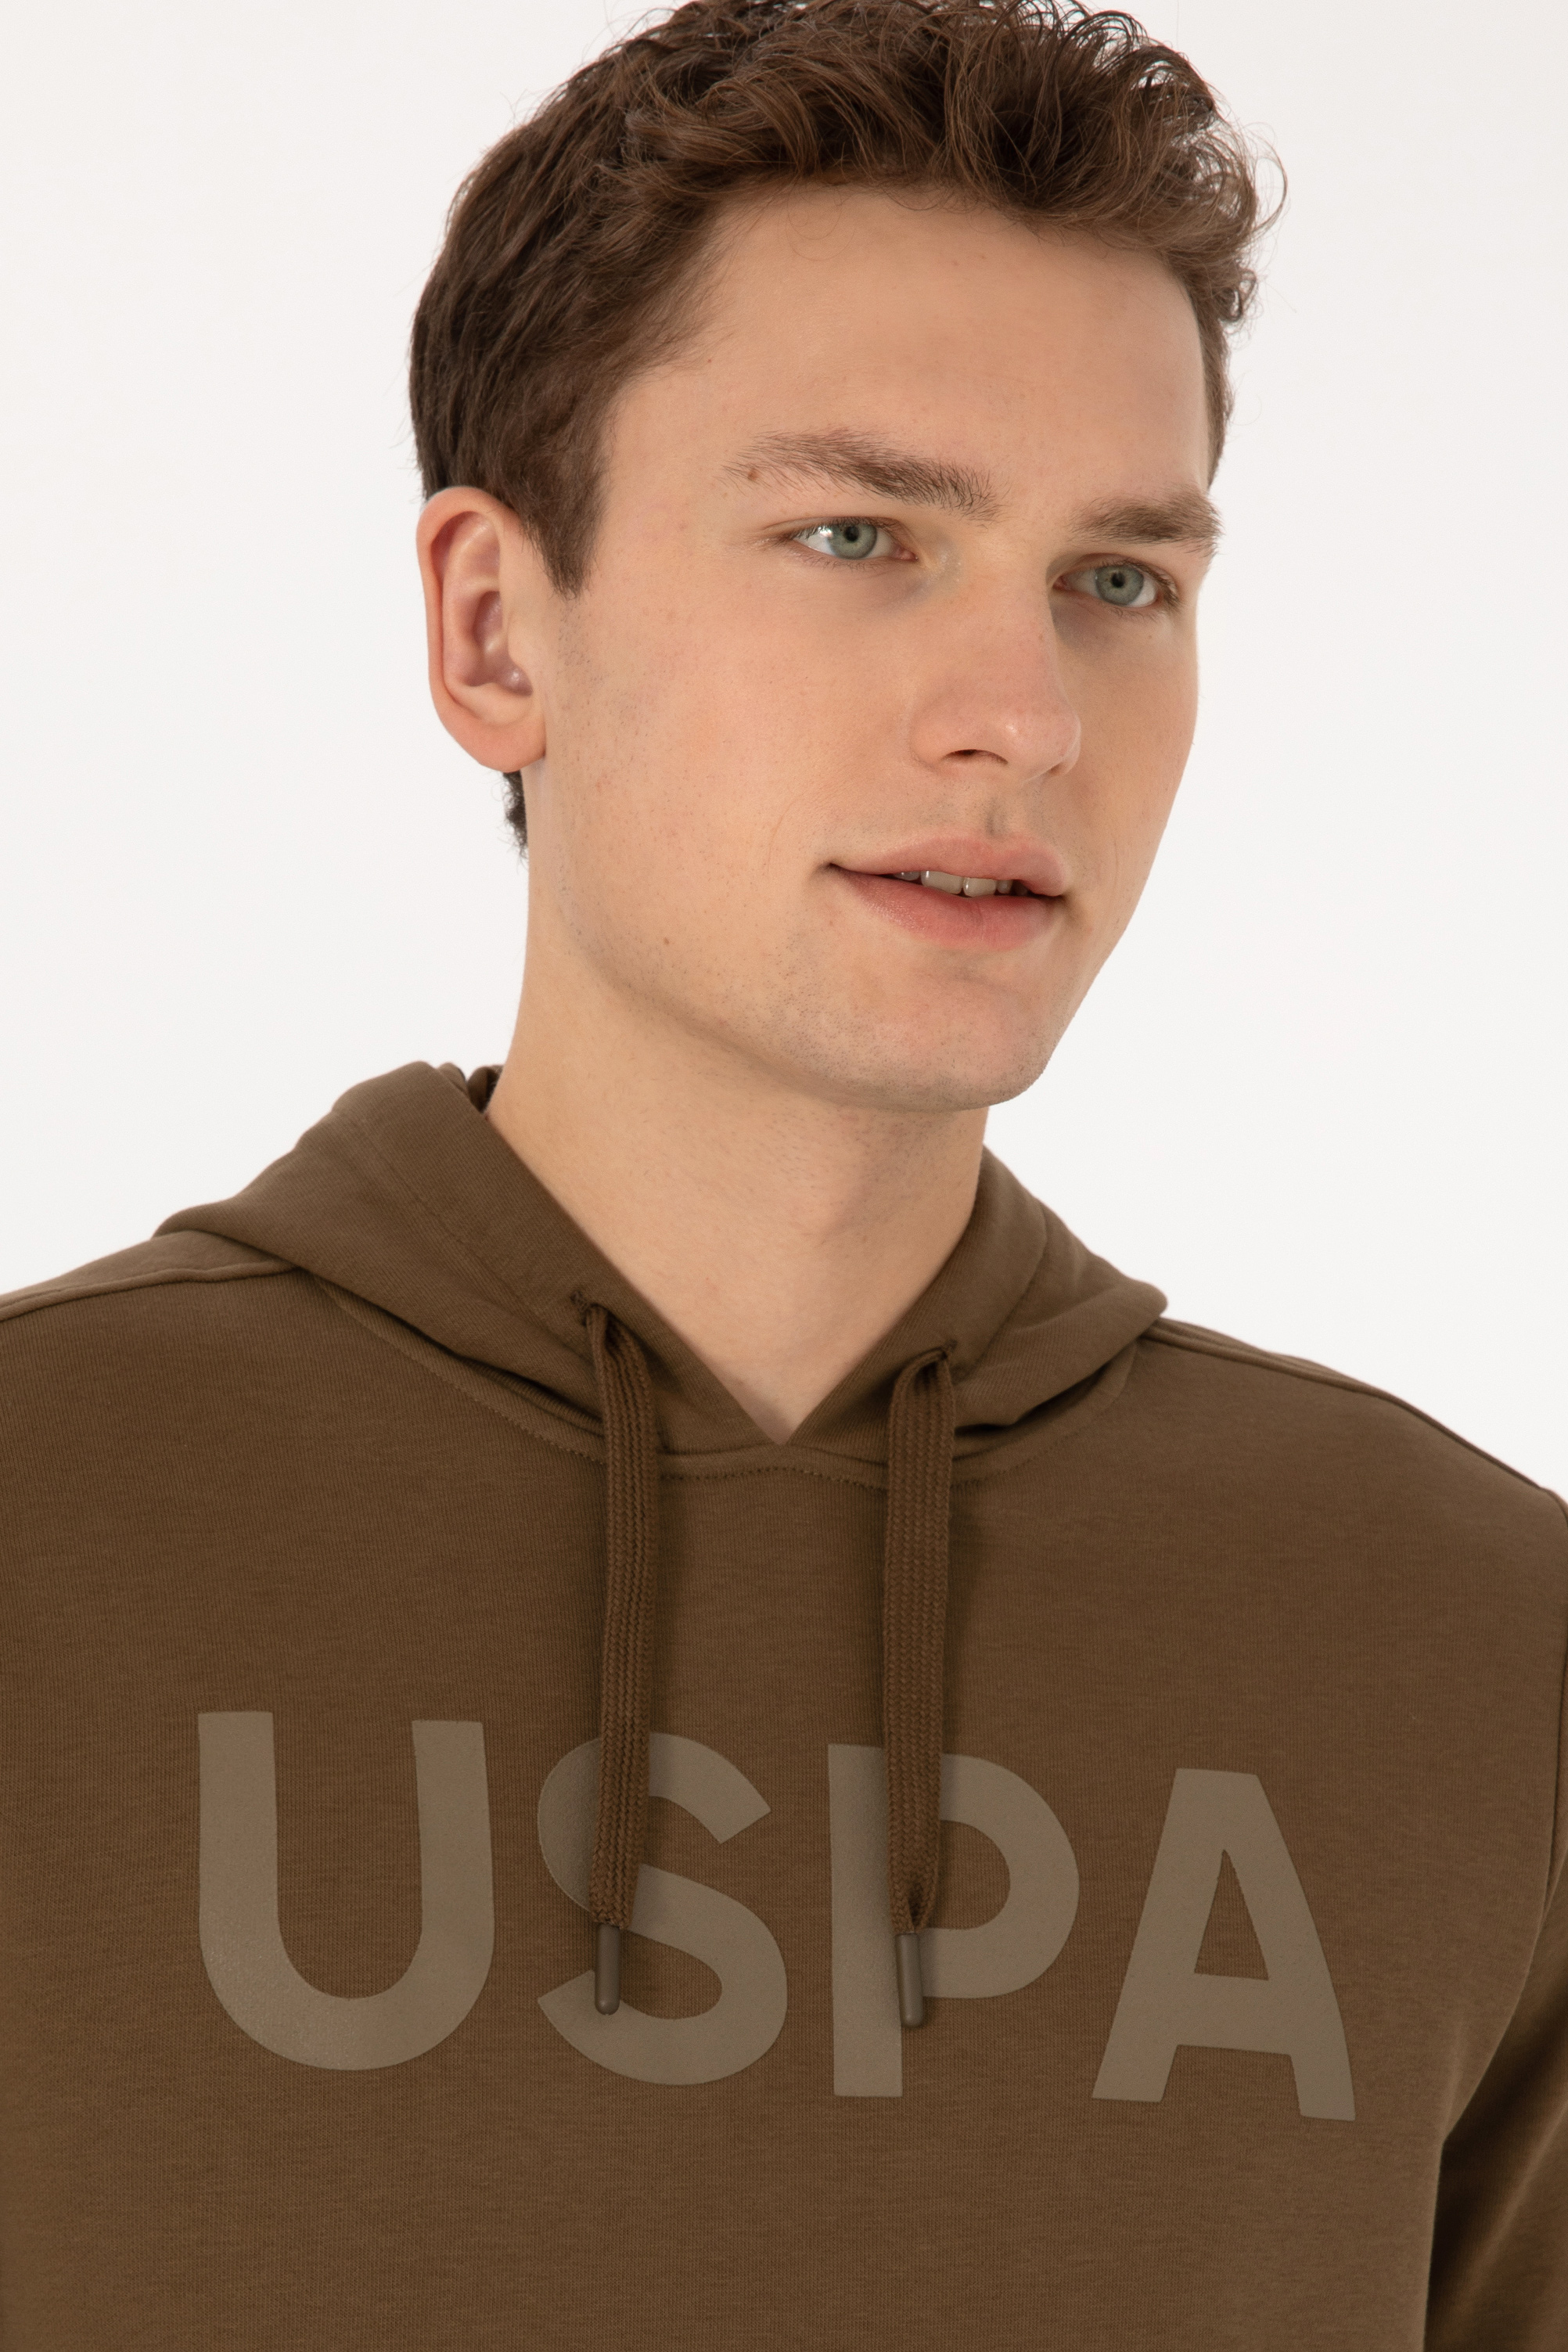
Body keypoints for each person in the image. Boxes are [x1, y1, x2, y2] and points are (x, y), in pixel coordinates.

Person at [1, 0, 1563, 2341]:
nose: (1021, 715)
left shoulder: (1471, 1648)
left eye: (1118, 580)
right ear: (494, 628)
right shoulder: (44, 1523)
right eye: (857, 535)